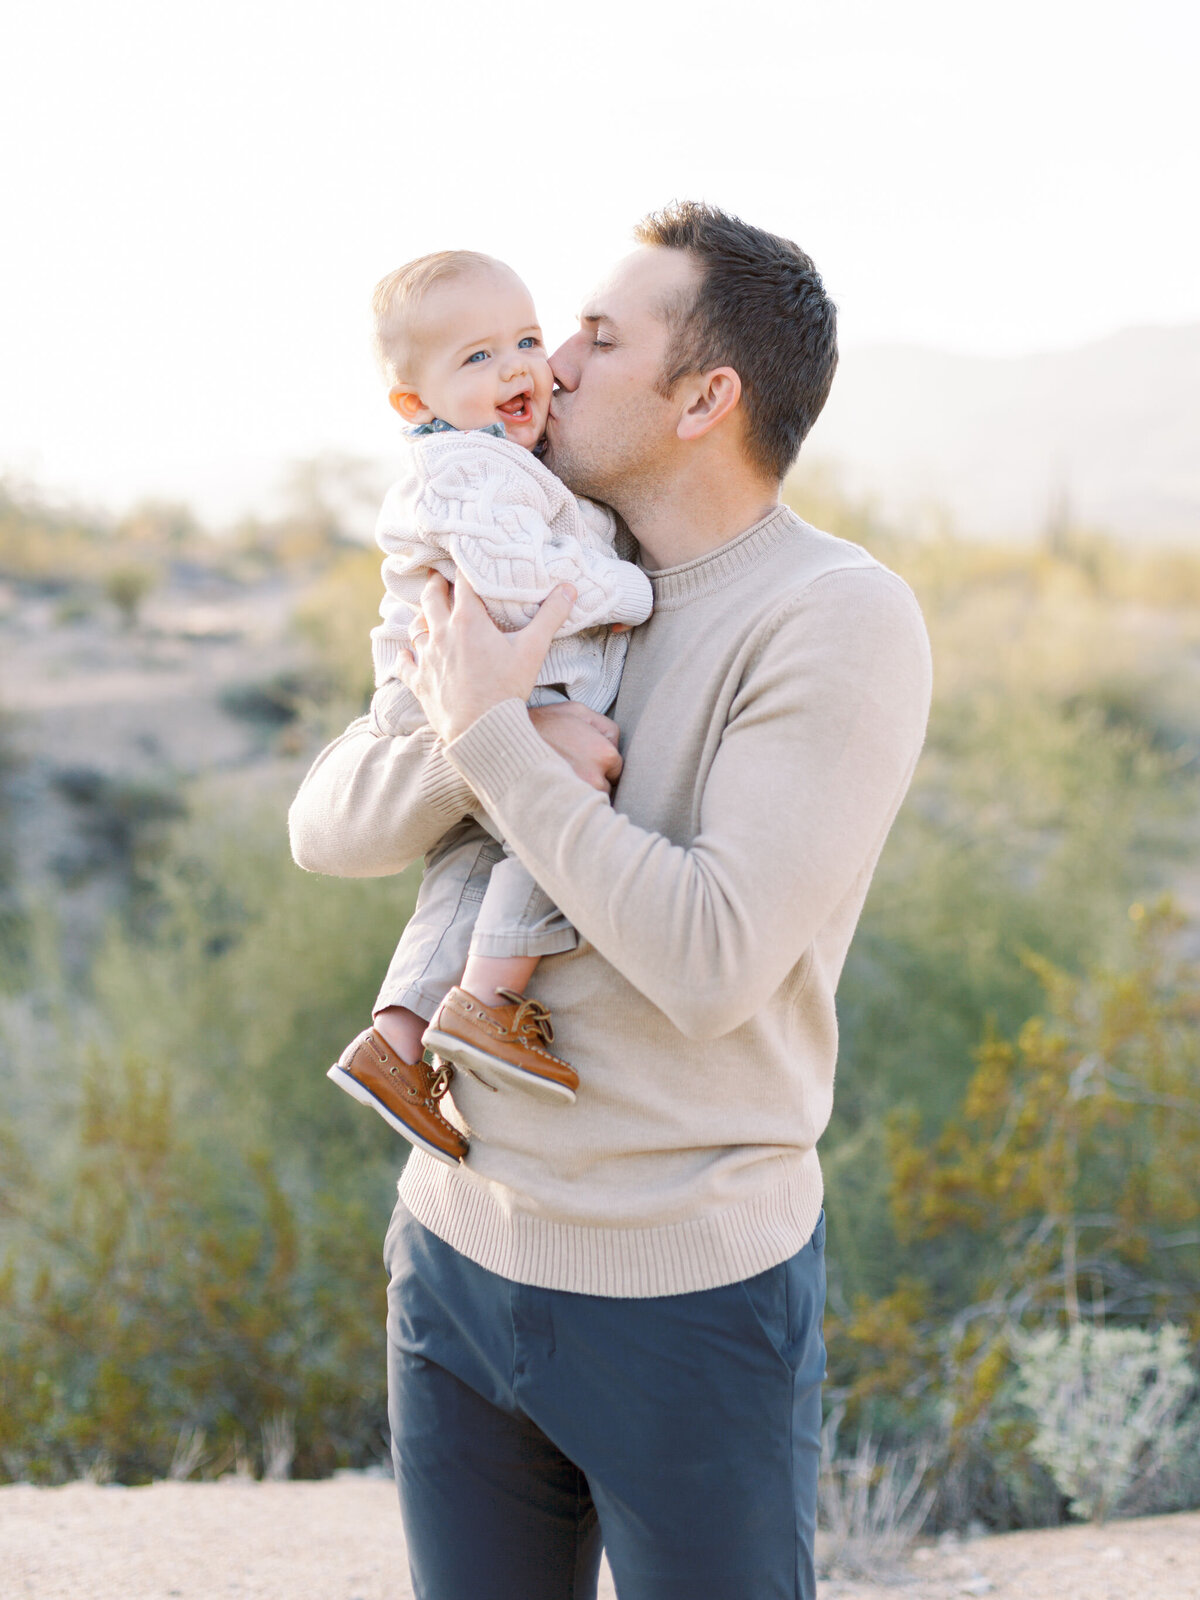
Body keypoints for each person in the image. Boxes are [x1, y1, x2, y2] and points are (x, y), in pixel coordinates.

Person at [289, 201, 933, 1600]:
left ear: (708, 397)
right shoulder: (528, 547)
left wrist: (490, 739)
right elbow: (327, 825)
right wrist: (478, 724)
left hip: (684, 1298)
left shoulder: (835, 615)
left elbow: (708, 962)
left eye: (594, 336)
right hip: (454, 1258)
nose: (553, 365)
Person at [326, 250, 652, 1166]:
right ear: (412, 402)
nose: (517, 367)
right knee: (553, 812)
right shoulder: (463, 469)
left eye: (524, 339)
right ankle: (487, 1003)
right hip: (464, 688)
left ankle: (395, 1043)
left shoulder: (501, 459)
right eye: (477, 358)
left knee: (468, 865)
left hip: (466, 691)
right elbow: (516, 585)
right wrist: (631, 589)